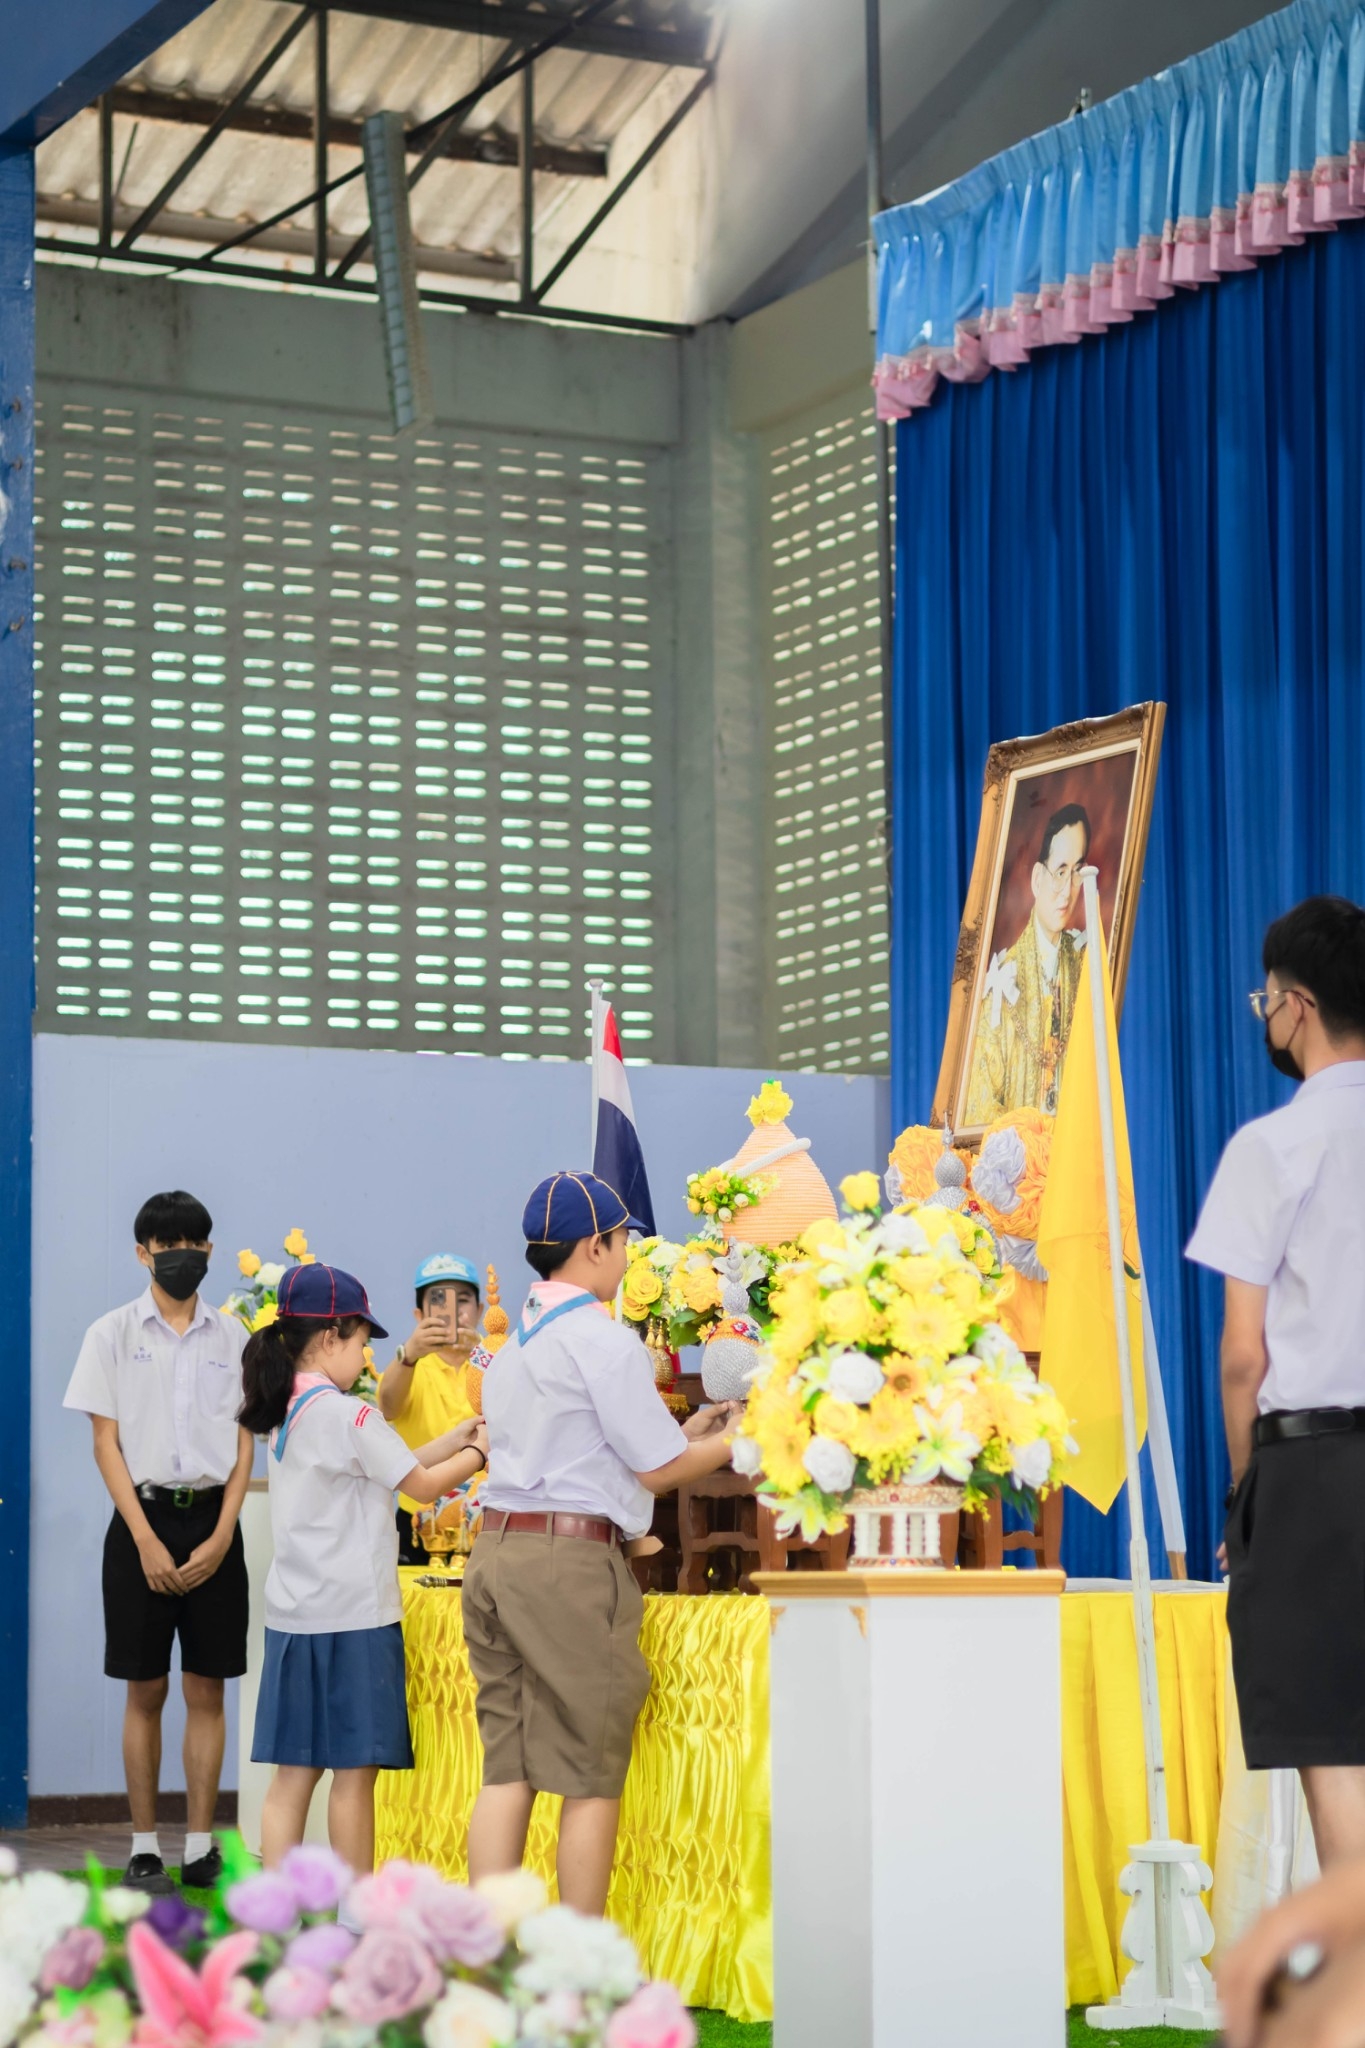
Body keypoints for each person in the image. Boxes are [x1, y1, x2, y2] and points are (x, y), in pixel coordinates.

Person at [462, 1170, 739, 1917]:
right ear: (594, 1246)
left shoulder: (509, 1350)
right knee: (588, 1774)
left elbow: (593, 1452)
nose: (626, 1256)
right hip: (568, 1568)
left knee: (508, 1769)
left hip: (497, 1553)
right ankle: (579, 1964)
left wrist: (688, 1435)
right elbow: (655, 1470)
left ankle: (481, 1953)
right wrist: (740, 1437)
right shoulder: (603, 1339)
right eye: (622, 1242)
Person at [1187, 895, 1365, 1868]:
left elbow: (1242, 1355)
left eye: (1266, 1000)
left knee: (1335, 1747)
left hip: (1317, 1470)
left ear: (1298, 1006)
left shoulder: (1274, 1144)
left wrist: (1246, 1490)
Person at [240, 1261, 486, 1876]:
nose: (364, 1355)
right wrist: (482, 1452)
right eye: (361, 1342)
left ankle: (275, 1910)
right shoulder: (349, 1413)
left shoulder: (288, 1410)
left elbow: (391, 1464)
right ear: (331, 1338)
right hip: (355, 1619)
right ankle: (353, 1914)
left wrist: (457, 1439)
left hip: (295, 1618)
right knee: (354, 1776)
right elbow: (420, 1487)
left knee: (292, 1777)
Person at [63, 1189, 253, 1896]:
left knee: (208, 1687)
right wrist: (143, 1538)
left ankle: (200, 1845)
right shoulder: (110, 1334)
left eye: (192, 1243)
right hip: (138, 1523)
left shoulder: (235, 1337)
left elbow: (245, 1445)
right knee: (145, 1688)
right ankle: (144, 1847)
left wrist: (224, 1531)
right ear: (142, 1253)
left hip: (213, 1523)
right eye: (167, 1244)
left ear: (209, 1250)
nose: (181, 1255)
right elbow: (104, 1444)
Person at [964, 802, 1091, 1125]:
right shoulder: (1002, 985)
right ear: (1037, 878)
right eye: (1060, 871)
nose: (1068, 891)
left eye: (1077, 872)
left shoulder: (1085, 966)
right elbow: (980, 1112)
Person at [379, 1253, 483, 1566]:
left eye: (463, 1300)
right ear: (419, 1314)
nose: (455, 1311)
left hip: (483, 1520)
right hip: (418, 1521)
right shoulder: (409, 1366)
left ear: (479, 1310)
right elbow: (388, 1407)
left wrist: (484, 1356)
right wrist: (409, 1354)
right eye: (439, 1301)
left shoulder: (495, 1360)